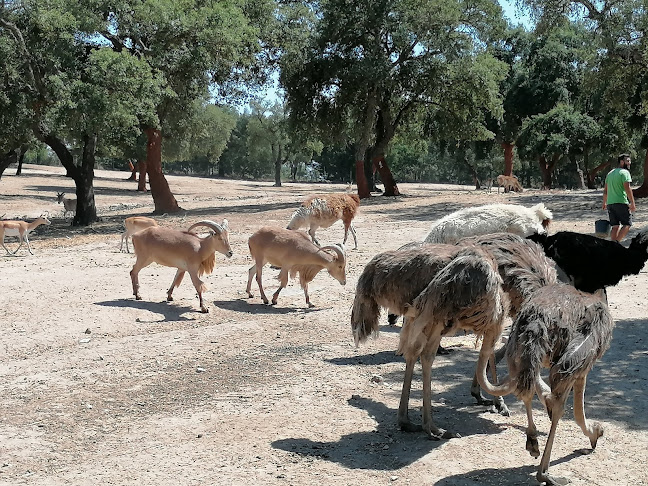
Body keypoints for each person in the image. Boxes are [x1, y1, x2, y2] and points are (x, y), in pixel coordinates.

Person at [603, 153, 636, 241]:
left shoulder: (610, 173)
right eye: (627, 161)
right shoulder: (625, 173)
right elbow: (628, 188)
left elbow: (605, 190)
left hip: (610, 203)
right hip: (621, 202)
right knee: (627, 224)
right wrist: (632, 202)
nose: (629, 163)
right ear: (622, 162)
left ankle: (612, 246)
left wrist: (604, 202)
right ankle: (617, 243)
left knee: (615, 226)